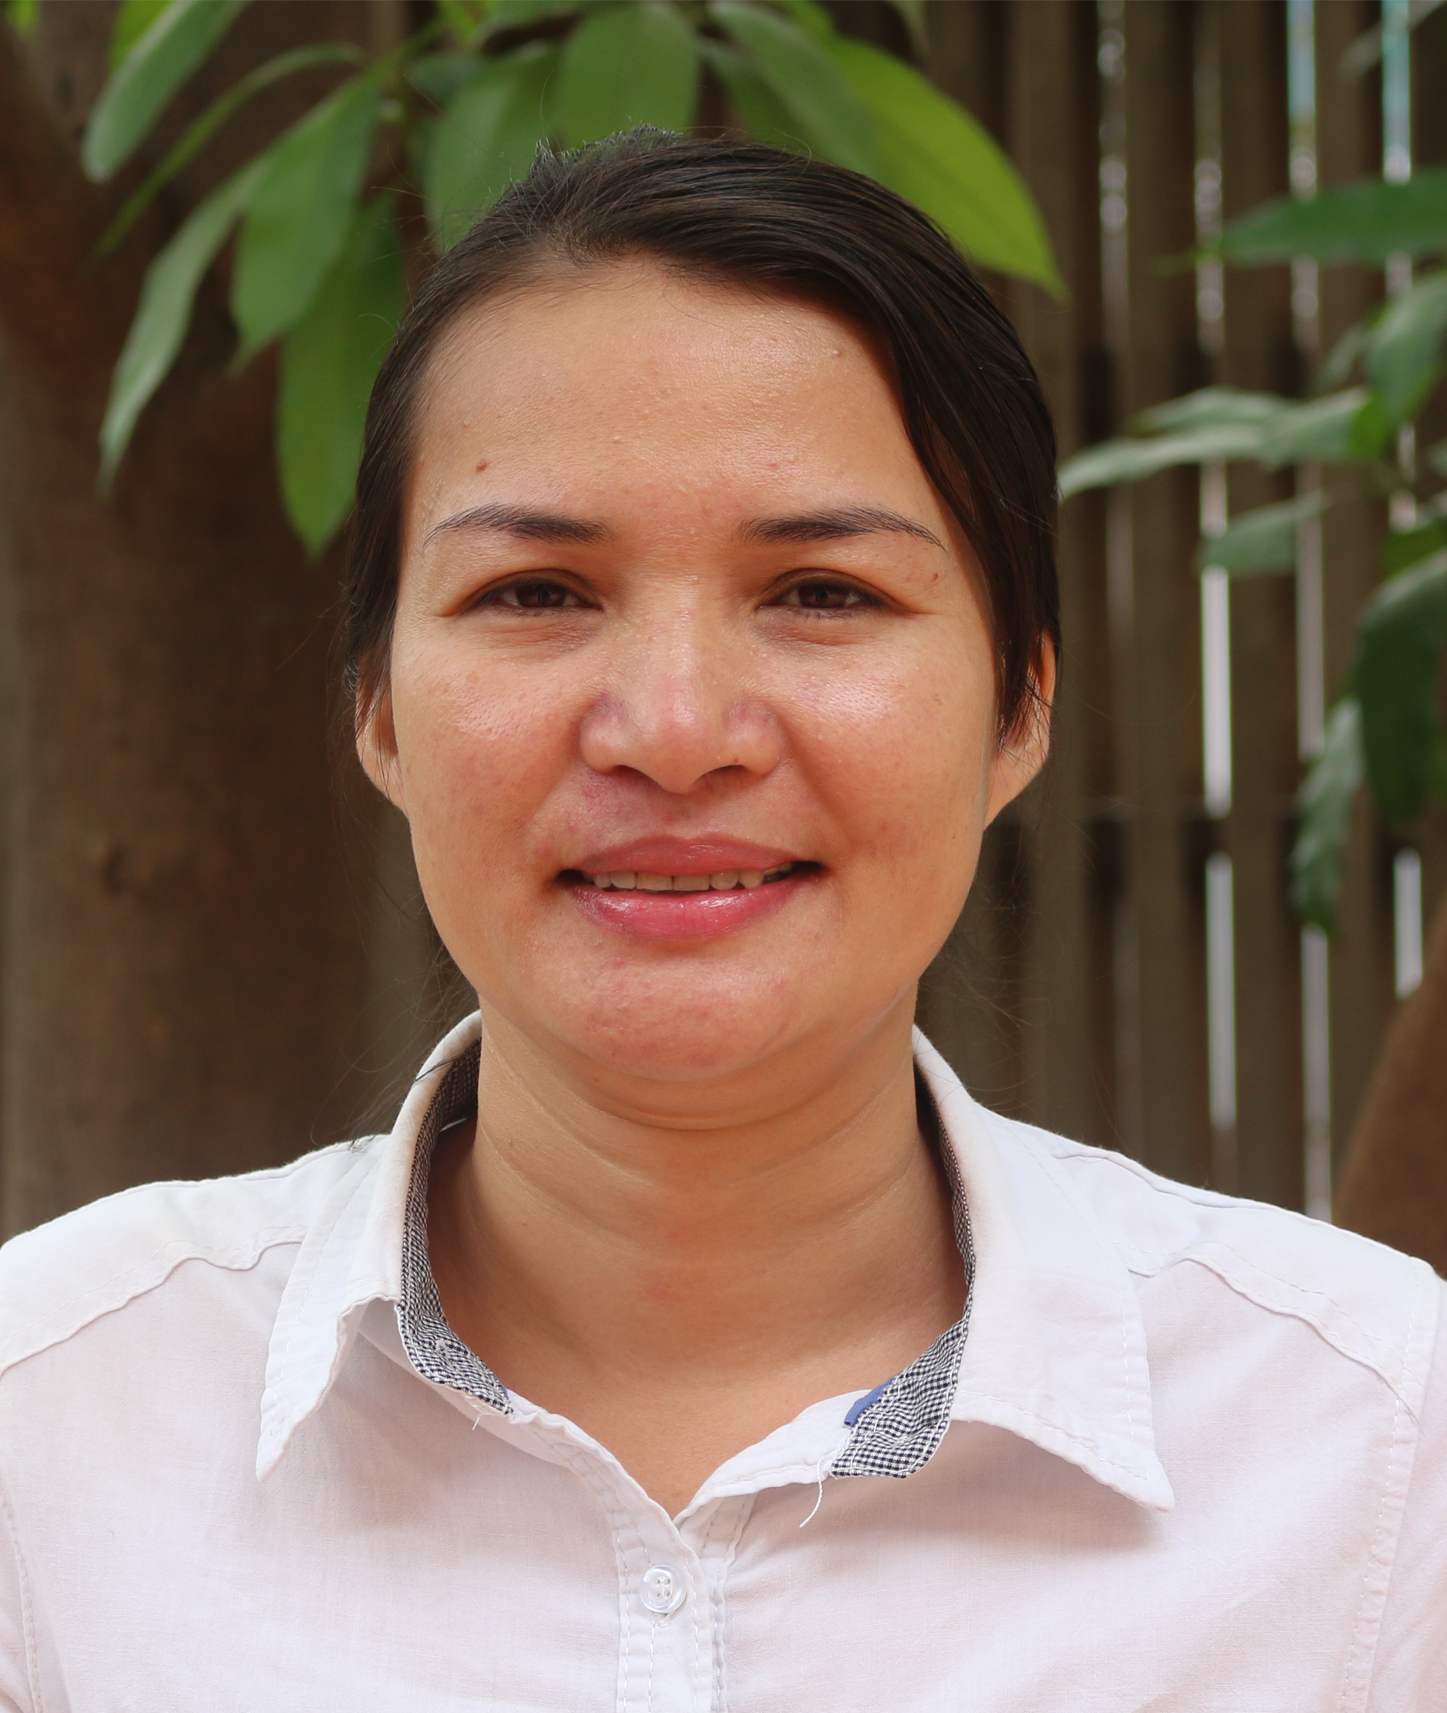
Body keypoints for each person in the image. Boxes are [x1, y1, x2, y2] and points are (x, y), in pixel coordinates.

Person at [0, 131, 1442, 1712]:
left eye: (822, 591)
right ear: (380, 708)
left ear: (1019, 705)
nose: (677, 731)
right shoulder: (54, 1427)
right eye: (537, 591)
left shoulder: (1375, 1453)